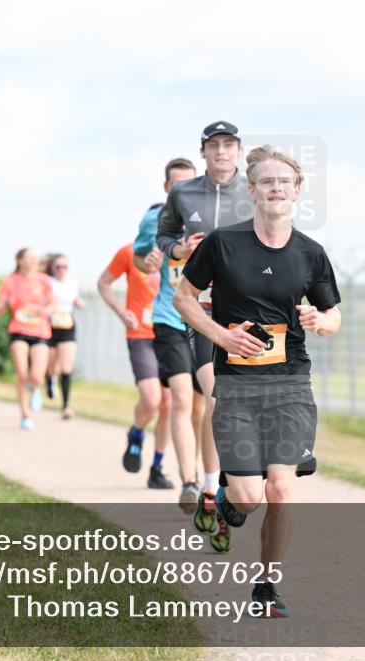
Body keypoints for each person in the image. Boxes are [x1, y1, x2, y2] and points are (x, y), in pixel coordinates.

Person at [175, 145, 342, 617]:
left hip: (290, 383)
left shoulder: (311, 253)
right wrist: (221, 336)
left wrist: (320, 320)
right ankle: (228, 498)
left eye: (283, 182)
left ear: (296, 192)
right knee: (250, 500)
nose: (275, 188)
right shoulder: (223, 244)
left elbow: (334, 316)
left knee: (281, 489)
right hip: (238, 388)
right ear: (251, 191)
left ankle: (267, 586)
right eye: (266, 182)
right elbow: (184, 298)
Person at [157, 122, 255, 519]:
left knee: (244, 401)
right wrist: (180, 247)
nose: (221, 152)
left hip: (248, 312)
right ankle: (213, 488)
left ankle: (234, 480)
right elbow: (165, 237)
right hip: (201, 311)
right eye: (213, 145)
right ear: (203, 152)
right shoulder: (183, 192)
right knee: (216, 395)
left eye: (228, 145)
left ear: (238, 150)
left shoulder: (253, 190)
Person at [134, 158, 210, 512]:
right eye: (177, 185)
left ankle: (203, 476)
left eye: (189, 184)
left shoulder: (212, 215)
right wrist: (147, 262)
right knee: (179, 399)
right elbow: (139, 257)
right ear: (167, 189)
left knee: (201, 407)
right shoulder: (155, 219)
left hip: (205, 318)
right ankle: (189, 482)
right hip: (168, 317)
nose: (184, 191)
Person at [98, 241, 174, 489]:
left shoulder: (178, 253)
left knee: (168, 404)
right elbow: (104, 283)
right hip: (140, 335)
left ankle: (157, 469)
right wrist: (122, 313)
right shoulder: (130, 252)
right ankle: (137, 432)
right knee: (152, 399)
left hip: (170, 335)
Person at [0, 248, 54, 430]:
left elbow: (53, 303)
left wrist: (46, 310)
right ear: (19, 260)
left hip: (40, 331)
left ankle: (35, 388)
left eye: (34, 258)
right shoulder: (10, 281)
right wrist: (6, 303)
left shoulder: (44, 281)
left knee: (37, 376)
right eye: (29, 258)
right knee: (22, 373)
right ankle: (25, 415)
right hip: (19, 330)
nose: (32, 261)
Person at [45, 254, 85, 419]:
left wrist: (79, 303)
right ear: (53, 268)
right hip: (50, 325)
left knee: (67, 367)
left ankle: (66, 405)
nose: (61, 270)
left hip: (67, 324)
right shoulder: (48, 283)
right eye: (58, 267)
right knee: (52, 364)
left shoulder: (73, 283)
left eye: (64, 267)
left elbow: (76, 299)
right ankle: (50, 379)